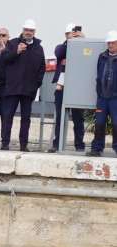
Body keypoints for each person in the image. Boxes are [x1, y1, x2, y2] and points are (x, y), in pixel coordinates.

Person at [0, 20, 45, 151]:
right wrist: (16, 51)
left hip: (28, 90)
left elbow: (42, 68)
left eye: (31, 30)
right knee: (8, 116)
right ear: (23, 30)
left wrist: (36, 85)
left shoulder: (38, 48)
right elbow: (5, 59)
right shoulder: (13, 43)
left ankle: (23, 145)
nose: (28, 32)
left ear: (34, 32)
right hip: (12, 88)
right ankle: (5, 143)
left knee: (26, 119)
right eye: (26, 30)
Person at [50, 24, 86, 152]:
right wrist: (69, 42)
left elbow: (87, 57)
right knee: (60, 117)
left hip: (76, 87)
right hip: (62, 88)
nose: (73, 35)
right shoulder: (62, 46)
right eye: (69, 34)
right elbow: (58, 53)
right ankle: (57, 144)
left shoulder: (82, 46)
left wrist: (83, 40)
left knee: (78, 119)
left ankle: (79, 145)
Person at [87, 31, 117, 157]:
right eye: (109, 42)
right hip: (102, 98)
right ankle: (97, 148)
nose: (110, 45)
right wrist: (99, 92)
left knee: (116, 124)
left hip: (115, 98)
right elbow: (99, 75)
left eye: (113, 42)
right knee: (99, 123)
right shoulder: (102, 56)